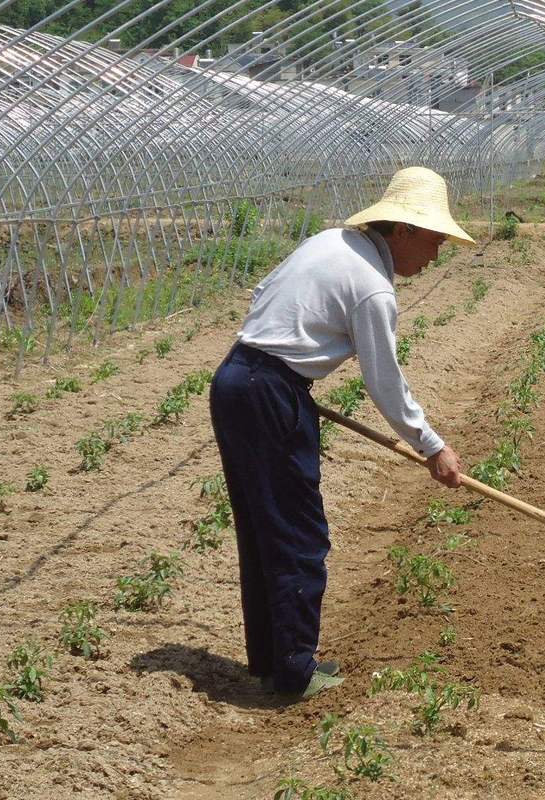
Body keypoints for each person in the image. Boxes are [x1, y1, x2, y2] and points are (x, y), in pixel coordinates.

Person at [208, 167, 473, 698]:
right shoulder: (372, 287)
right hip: (269, 391)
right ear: (402, 230)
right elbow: (384, 381)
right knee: (297, 535)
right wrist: (433, 446)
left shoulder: (328, 242)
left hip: (239, 378)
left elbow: (265, 294)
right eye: (435, 240)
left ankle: (273, 661)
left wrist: (287, 371)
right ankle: (295, 672)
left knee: (263, 530)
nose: (437, 254)